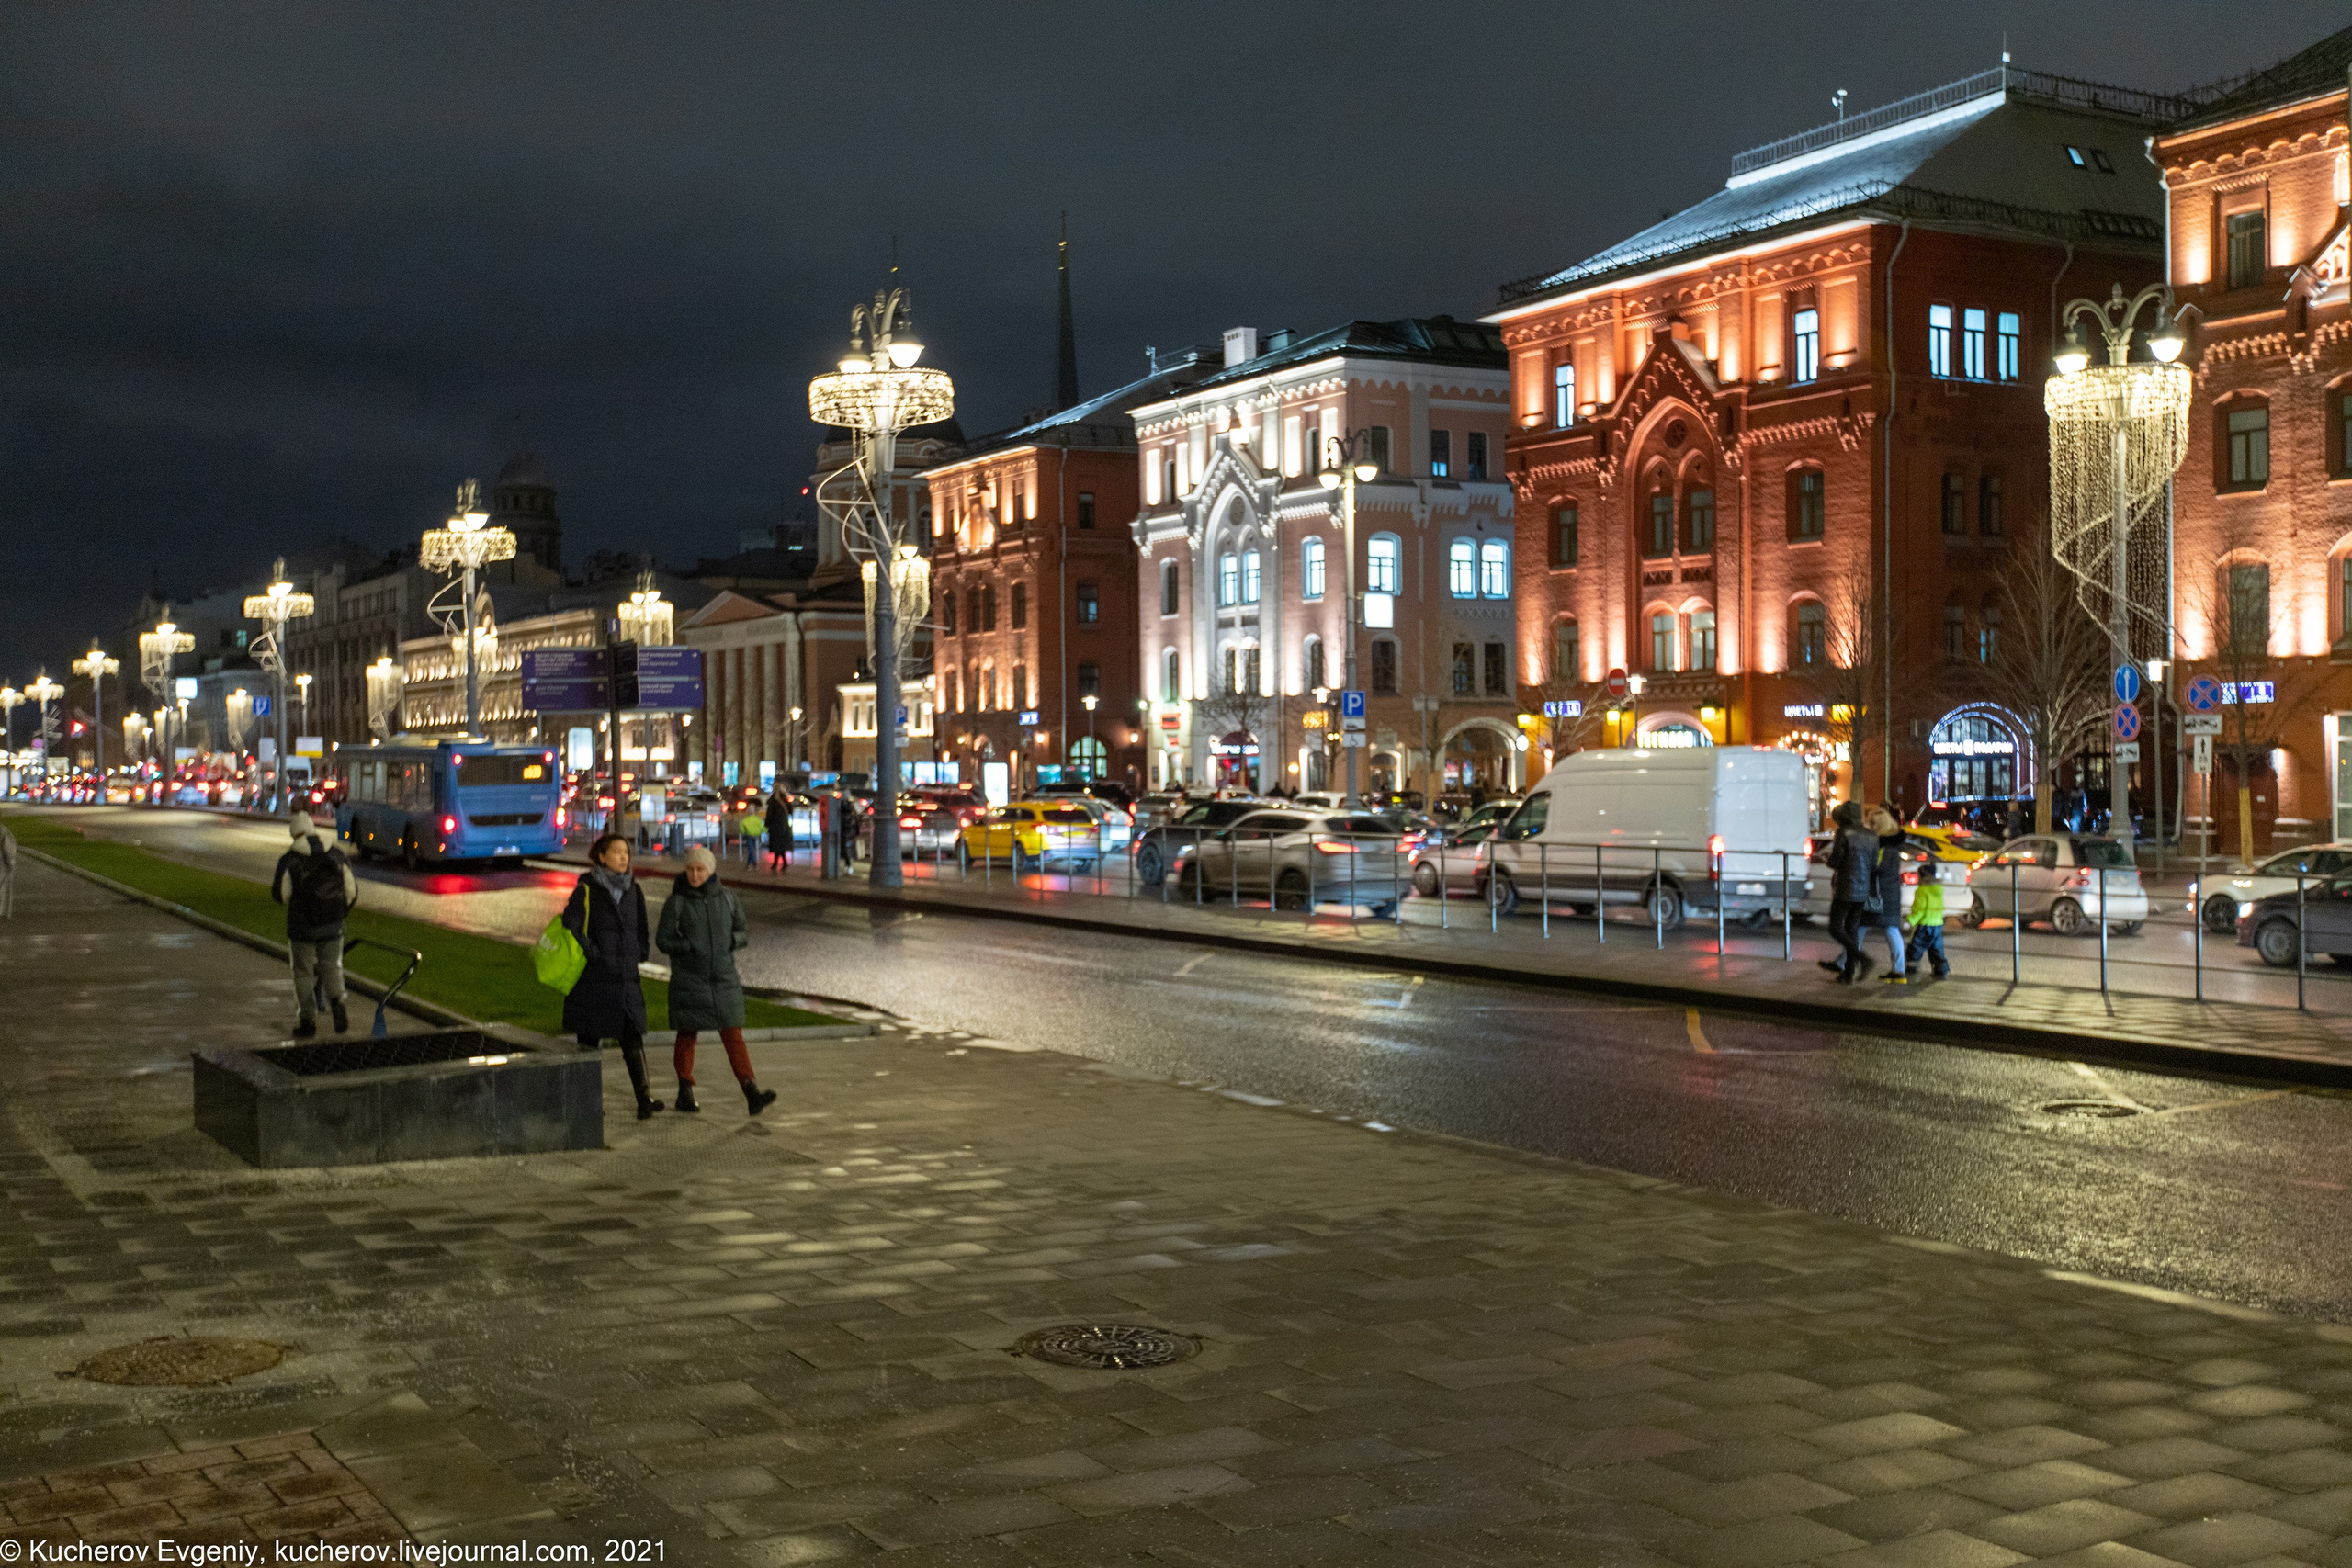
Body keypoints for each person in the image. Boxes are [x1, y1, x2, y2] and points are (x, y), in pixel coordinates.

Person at [657, 844, 777, 1116]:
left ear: (711, 871)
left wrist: (730, 942)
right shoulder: (677, 902)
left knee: (733, 1035)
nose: (695, 874)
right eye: (690, 869)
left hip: (723, 978)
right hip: (690, 978)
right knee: (687, 1035)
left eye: (700, 869)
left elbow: (742, 931)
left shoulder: (727, 899)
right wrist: (685, 947)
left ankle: (751, 1091)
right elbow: (663, 940)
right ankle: (684, 1091)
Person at [563, 832, 663, 1119]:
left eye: (626, 853)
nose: (623, 857)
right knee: (589, 1040)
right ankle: (586, 1101)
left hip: (625, 977)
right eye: (617, 852)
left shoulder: (634, 890)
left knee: (632, 1038)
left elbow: (642, 929)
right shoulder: (587, 888)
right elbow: (571, 925)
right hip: (594, 978)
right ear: (602, 856)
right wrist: (592, 952)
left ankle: (644, 1098)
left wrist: (639, 952)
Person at [269, 812, 356, 1037]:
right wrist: (339, 914)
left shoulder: (290, 859)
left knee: (303, 972)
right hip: (332, 926)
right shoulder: (335, 854)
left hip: (302, 929)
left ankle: (307, 1021)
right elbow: (352, 892)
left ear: (293, 833)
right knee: (332, 966)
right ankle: (337, 1003)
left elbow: (281, 895)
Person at [1820, 801, 1874, 983]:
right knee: (1852, 930)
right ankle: (1848, 973)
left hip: (1845, 888)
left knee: (1835, 927)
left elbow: (1836, 861)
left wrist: (1826, 858)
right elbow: (1872, 864)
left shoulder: (1844, 832)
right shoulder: (1871, 835)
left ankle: (1863, 958)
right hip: (1863, 889)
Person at [1864, 805, 1910, 983]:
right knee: (1889, 929)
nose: (1868, 827)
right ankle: (1898, 971)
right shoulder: (1893, 846)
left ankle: (1846, 963)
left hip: (1880, 895)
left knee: (1866, 927)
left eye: (1871, 824)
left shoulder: (1884, 847)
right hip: (1888, 894)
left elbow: (1876, 868)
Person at [1906, 860, 1951, 979]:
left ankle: (1911, 970)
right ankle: (1941, 971)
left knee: (1915, 948)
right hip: (1937, 924)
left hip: (1924, 924)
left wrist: (1911, 920)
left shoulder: (1921, 891)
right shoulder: (1938, 890)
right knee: (1936, 949)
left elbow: (1920, 909)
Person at [765, 784, 794, 870]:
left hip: (775, 827)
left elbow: (769, 814)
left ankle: (777, 863)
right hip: (783, 827)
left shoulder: (773, 801)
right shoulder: (784, 800)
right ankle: (782, 863)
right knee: (780, 846)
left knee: (778, 846)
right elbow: (791, 811)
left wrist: (767, 825)